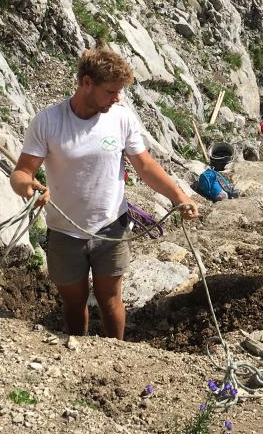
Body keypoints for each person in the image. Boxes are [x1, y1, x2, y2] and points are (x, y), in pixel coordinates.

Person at [10, 48, 198, 339]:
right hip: (65, 231)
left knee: (111, 300)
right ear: (87, 83)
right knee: (74, 303)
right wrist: (28, 186)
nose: (117, 98)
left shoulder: (121, 118)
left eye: (119, 91)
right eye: (111, 91)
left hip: (111, 227)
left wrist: (179, 197)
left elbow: (145, 166)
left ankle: (116, 354)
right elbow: (22, 172)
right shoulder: (48, 121)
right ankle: (77, 351)